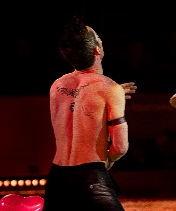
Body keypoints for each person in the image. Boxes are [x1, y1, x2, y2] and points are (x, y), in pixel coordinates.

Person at [43, 16, 137, 211]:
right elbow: (120, 147)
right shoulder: (109, 89)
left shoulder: (57, 85)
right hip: (90, 178)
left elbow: (77, 104)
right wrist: (109, 159)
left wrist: (112, 94)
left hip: (57, 179)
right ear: (97, 50)